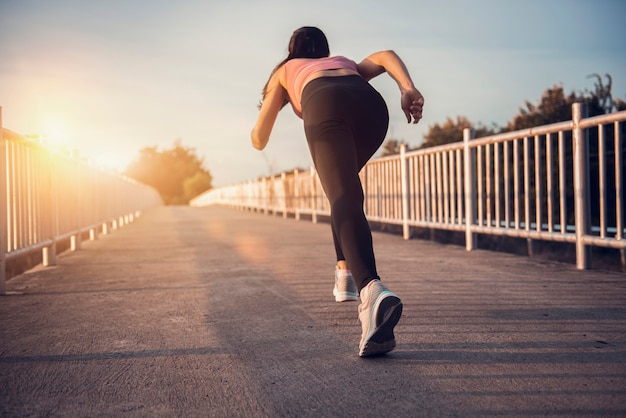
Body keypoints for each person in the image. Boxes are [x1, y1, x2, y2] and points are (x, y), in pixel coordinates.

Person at [251, 26, 424, 357]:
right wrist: (408, 88)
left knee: (342, 194)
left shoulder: (287, 70)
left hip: (325, 103)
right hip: (371, 109)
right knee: (344, 192)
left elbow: (260, 137)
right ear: (325, 48)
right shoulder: (343, 62)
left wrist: (261, 124)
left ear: (292, 49)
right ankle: (344, 270)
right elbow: (385, 55)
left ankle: (370, 290)